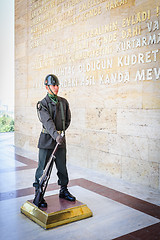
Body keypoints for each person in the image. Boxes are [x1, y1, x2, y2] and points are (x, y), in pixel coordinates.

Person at [33, 74, 76, 208]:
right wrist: (56, 135)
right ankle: (38, 192)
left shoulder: (63, 102)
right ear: (47, 87)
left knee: (62, 167)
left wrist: (61, 134)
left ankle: (63, 190)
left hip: (60, 141)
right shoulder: (42, 104)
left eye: (57, 85)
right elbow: (48, 123)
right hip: (47, 141)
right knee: (42, 169)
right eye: (53, 85)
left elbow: (68, 120)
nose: (56, 88)